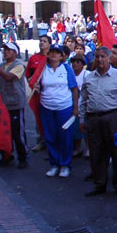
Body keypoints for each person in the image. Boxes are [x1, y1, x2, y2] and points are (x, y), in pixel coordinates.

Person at [80, 46, 117, 197]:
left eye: (103, 57)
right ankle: (99, 184)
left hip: (113, 118)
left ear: (109, 58)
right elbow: (83, 100)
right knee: (96, 153)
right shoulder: (89, 77)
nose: (100, 60)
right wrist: (82, 119)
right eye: (97, 57)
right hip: (93, 118)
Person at [33, 44, 79, 178]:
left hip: (64, 107)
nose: (54, 55)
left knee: (65, 137)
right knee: (50, 136)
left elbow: (74, 89)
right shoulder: (42, 69)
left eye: (57, 53)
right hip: (46, 107)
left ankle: (65, 164)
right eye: (52, 52)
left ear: (61, 56)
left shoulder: (66, 69)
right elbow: (35, 84)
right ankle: (54, 164)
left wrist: (75, 107)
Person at [0, 42, 29, 168]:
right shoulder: (3, 65)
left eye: (9, 50)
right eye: (5, 49)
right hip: (3, 103)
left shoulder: (18, 65)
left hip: (15, 103)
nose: (6, 52)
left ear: (15, 52)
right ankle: (6, 155)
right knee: (3, 132)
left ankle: (22, 156)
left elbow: (8, 77)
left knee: (17, 132)